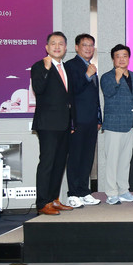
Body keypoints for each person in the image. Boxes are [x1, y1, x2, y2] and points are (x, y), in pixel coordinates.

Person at [30, 31, 74, 215]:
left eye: (61, 43)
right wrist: (47, 69)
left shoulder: (66, 68)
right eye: (53, 43)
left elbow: (70, 98)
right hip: (48, 124)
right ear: (47, 47)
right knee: (47, 163)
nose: (57, 47)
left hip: (64, 124)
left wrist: (72, 123)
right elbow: (38, 88)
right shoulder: (39, 66)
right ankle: (42, 203)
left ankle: (53, 199)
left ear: (65, 48)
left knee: (59, 163)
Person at [99, 44, 133, 205]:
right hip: (114, 125)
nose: (121, 59)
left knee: (125, 160)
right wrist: (117, 78)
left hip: (131, 124)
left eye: (124, 56)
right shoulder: (107, 76)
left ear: (129, 58)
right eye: (118, 56)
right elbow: (108, 92)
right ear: (113, 59)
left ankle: (123, 190)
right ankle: (111, 193)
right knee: (112, 161)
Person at [64, 33, 102, 208]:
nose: (88, 48)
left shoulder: (91, 67)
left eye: (91, 45)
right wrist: (87, 75)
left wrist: (99, 117)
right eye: (85, 45)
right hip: (77, 120)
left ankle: (84, 191)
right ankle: (72, 193)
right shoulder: (70, 66)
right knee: (75, 157)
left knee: (87, 158)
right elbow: (71, 91)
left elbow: (94, 97)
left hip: (91, 121)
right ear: (76, 47)